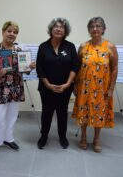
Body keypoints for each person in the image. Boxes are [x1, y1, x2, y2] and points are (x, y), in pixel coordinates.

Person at [0, 21, 36, 156]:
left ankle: (8, 138)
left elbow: (24, 71)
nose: (12, 34)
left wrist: (29, 68)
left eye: (15, 32)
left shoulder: (20, 52)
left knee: (12, 116)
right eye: (9, 31)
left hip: (15, 88)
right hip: (0, 89)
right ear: (3, 32)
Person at [72, 17, 118, 153]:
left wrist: (111, 89)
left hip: (101, 88)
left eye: (98, 26)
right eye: (92, 26)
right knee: (84, 112)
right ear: (88, 30)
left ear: (104, 29)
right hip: (84, 87)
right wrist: (75, 85)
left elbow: (114, 68)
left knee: (99, 113)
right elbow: (77, 67)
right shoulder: (83, 46)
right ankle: (84, 136)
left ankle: (97, 139)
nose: (95, 29)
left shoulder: (110, 47)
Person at [36, 18, 79, 149]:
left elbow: (75, 67)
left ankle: (62, 136)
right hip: (46, 88)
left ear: (65, 31)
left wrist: (67, 84)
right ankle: (44, 136)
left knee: (62, 112)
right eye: (56, 26)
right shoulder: (43, 46)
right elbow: (39, 67)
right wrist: (48, 84)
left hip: (64, 88)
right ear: (51, 29)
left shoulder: (70, 46)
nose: (59, 29)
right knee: (46, 112)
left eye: (62, 27)